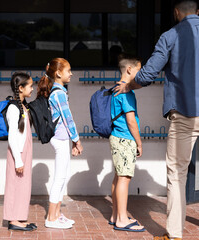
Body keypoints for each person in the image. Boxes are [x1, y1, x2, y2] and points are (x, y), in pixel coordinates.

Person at [114, 1, 199, 239]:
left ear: (176, 12)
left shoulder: (170, 35)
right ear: (198, 12)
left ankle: (174, 235)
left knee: (177, 174)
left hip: (185, 112)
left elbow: (149, 73)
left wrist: (129, 84)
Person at [37, 58, 83, 229]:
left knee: (62, 177)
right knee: (60, 178)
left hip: (61, 138)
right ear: (58, 73)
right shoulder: (59, 93)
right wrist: (77, 141)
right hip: (61, 138)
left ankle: (56, 214)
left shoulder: (57, 91)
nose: (71, 73)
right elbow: (67, 119)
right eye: (68, 70)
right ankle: (51, 218)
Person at [109, 54, 145, 232]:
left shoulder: (116, 88)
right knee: (125, 178)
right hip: (126, 138)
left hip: (116, 136)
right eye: (139, 69)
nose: (140, 74)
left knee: (118, 177)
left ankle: (116, 215)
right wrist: (139, 142)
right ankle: (122, 219)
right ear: (130, 69)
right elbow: (131, 120)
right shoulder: (126, 92)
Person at [3, 72, 37, 231]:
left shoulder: (24, 105)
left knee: (23, 186)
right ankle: (13, 219)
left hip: (25, 151)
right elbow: (12, 137)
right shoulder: (13, 107)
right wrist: (18, 159)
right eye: (30, 85)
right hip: (19, 152)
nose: (32, 88)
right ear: (21, 88)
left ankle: (20, 217)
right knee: (15, 185)